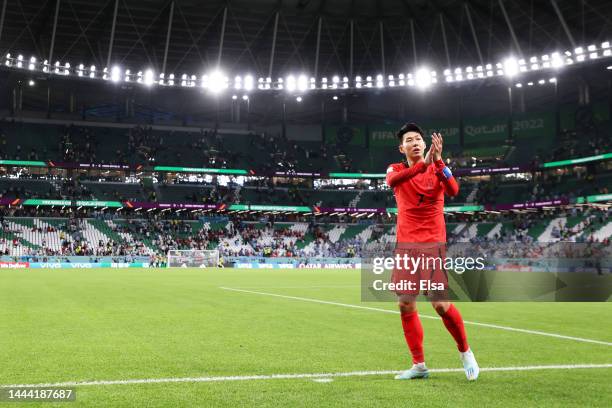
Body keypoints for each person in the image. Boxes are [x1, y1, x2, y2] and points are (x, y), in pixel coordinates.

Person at [386, 122, 479, 381]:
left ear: (425, 144)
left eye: (418, 138)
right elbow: (393, 181)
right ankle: (419, 365)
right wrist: (423, 165)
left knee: (439, 304)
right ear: (401, 147)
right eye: (409, 140)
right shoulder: (396, 169)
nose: (414, 142)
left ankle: (465, 351)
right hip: (406, 246)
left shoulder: (438, 167)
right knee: (405, 304)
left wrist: (437, 163)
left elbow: (454, 190)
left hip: (432, 244)